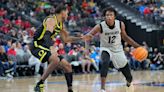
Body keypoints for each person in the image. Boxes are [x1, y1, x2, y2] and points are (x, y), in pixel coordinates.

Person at [82, 7, 141, 92]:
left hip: (118, 49)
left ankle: (128, 82)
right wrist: (86, 49)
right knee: (105, 61)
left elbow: (125, 37)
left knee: (128, 76)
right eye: (107, 15)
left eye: (111, 15)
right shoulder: (100, 26)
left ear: (114, 16)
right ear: (104, 17)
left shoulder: (120, 24)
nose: (109, 17)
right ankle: (102, 89)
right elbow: (87, 37)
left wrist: (137, 46)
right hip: (105, 48)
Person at [30, 4, 82, 92]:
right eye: (67, 13)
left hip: (45, 45)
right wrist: (52, 48)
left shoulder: (61, 24)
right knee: (55, 59)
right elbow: (47, 36)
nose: (68, 15)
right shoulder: (51, 19)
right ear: (62, 12)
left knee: (67, 66)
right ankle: (40, 84)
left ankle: (70, 89)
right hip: (37, 45)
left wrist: (81, 38)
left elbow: (66, 39)